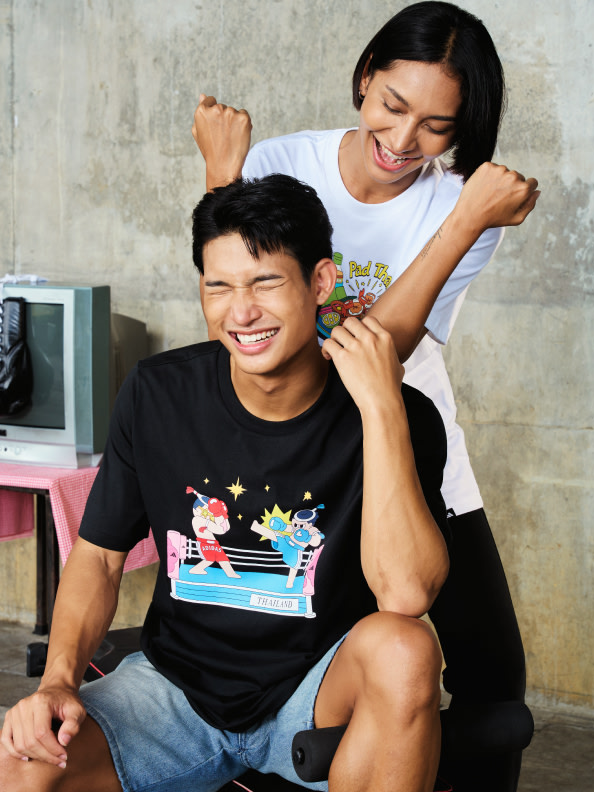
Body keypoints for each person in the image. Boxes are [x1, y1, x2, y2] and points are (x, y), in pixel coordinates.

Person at [1, 174, 452, 792]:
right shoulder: (158, 393)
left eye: (265, 282)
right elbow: (100, 558)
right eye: (220, 287)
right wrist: (57, 680)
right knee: (21, 765)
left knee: (406, 648)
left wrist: (379, 410)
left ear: (320, 282)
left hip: (314, 694)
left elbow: (406, 594)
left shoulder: (397, 414)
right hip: (175, 689)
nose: (240, 312)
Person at [191, 4, 540, 790]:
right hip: (305, 465)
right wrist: (223, 179)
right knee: (315, 685)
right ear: (363, 78)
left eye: (438, 125)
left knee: (496, 695)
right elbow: (251, 330)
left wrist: (466, 215)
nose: (405, 141)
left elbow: (388, 350)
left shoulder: (464, 202)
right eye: (393, 105)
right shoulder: (282, 163)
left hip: (415, 454)